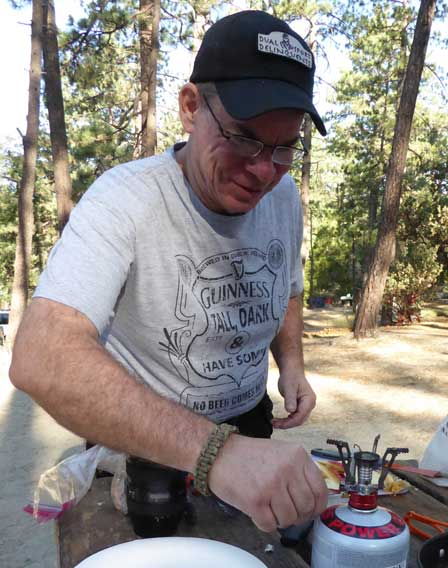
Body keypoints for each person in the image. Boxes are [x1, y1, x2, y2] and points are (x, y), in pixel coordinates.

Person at [9, 10, 329, 533]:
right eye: (245, 138)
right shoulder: (126, 198)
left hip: (249, 425)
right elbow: (39, 356)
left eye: (285, 146)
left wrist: (291, 364)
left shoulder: (285, 197)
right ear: (190, 107)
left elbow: (287, 287)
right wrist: (215, 454)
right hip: (142, 448)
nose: (264, 170)